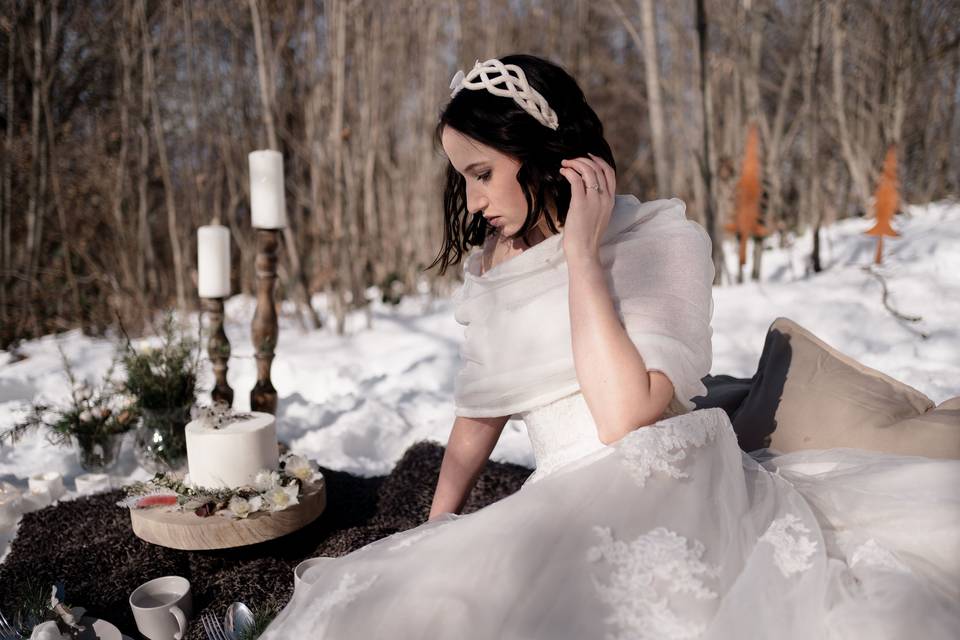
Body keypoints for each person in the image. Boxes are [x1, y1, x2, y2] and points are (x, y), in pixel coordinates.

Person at [260, 54, 959, 639]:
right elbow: (481, 409)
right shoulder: (497, 264)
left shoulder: (664, 243)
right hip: (562, 490)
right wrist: (434, 529)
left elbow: (627, 417)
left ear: (538, 156)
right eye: (462, 179)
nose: (472, 204)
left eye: (481, 174)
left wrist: (583, 261)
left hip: (672, 478)